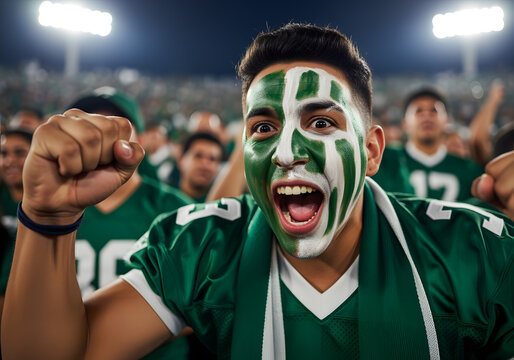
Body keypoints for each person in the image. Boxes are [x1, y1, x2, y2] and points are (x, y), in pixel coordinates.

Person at [2, 23, 514, 360]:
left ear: (374, 150)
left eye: (319, 121)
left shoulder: (473, 252)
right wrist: (45, 217)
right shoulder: (203, 246)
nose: (287, 151)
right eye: (264, 128)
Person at [373, 87, 484, 201]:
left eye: (434, 111)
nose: (426, 116)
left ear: (447, 121)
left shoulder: (469, 170)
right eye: (418, 111)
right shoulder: (382, 161)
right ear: (404, 124)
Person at [176, 132, 224, 202]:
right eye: (198, 156)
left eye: (212, 159)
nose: (205, 164)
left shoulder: (219, 204)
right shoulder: (162, 200)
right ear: (181, 160)